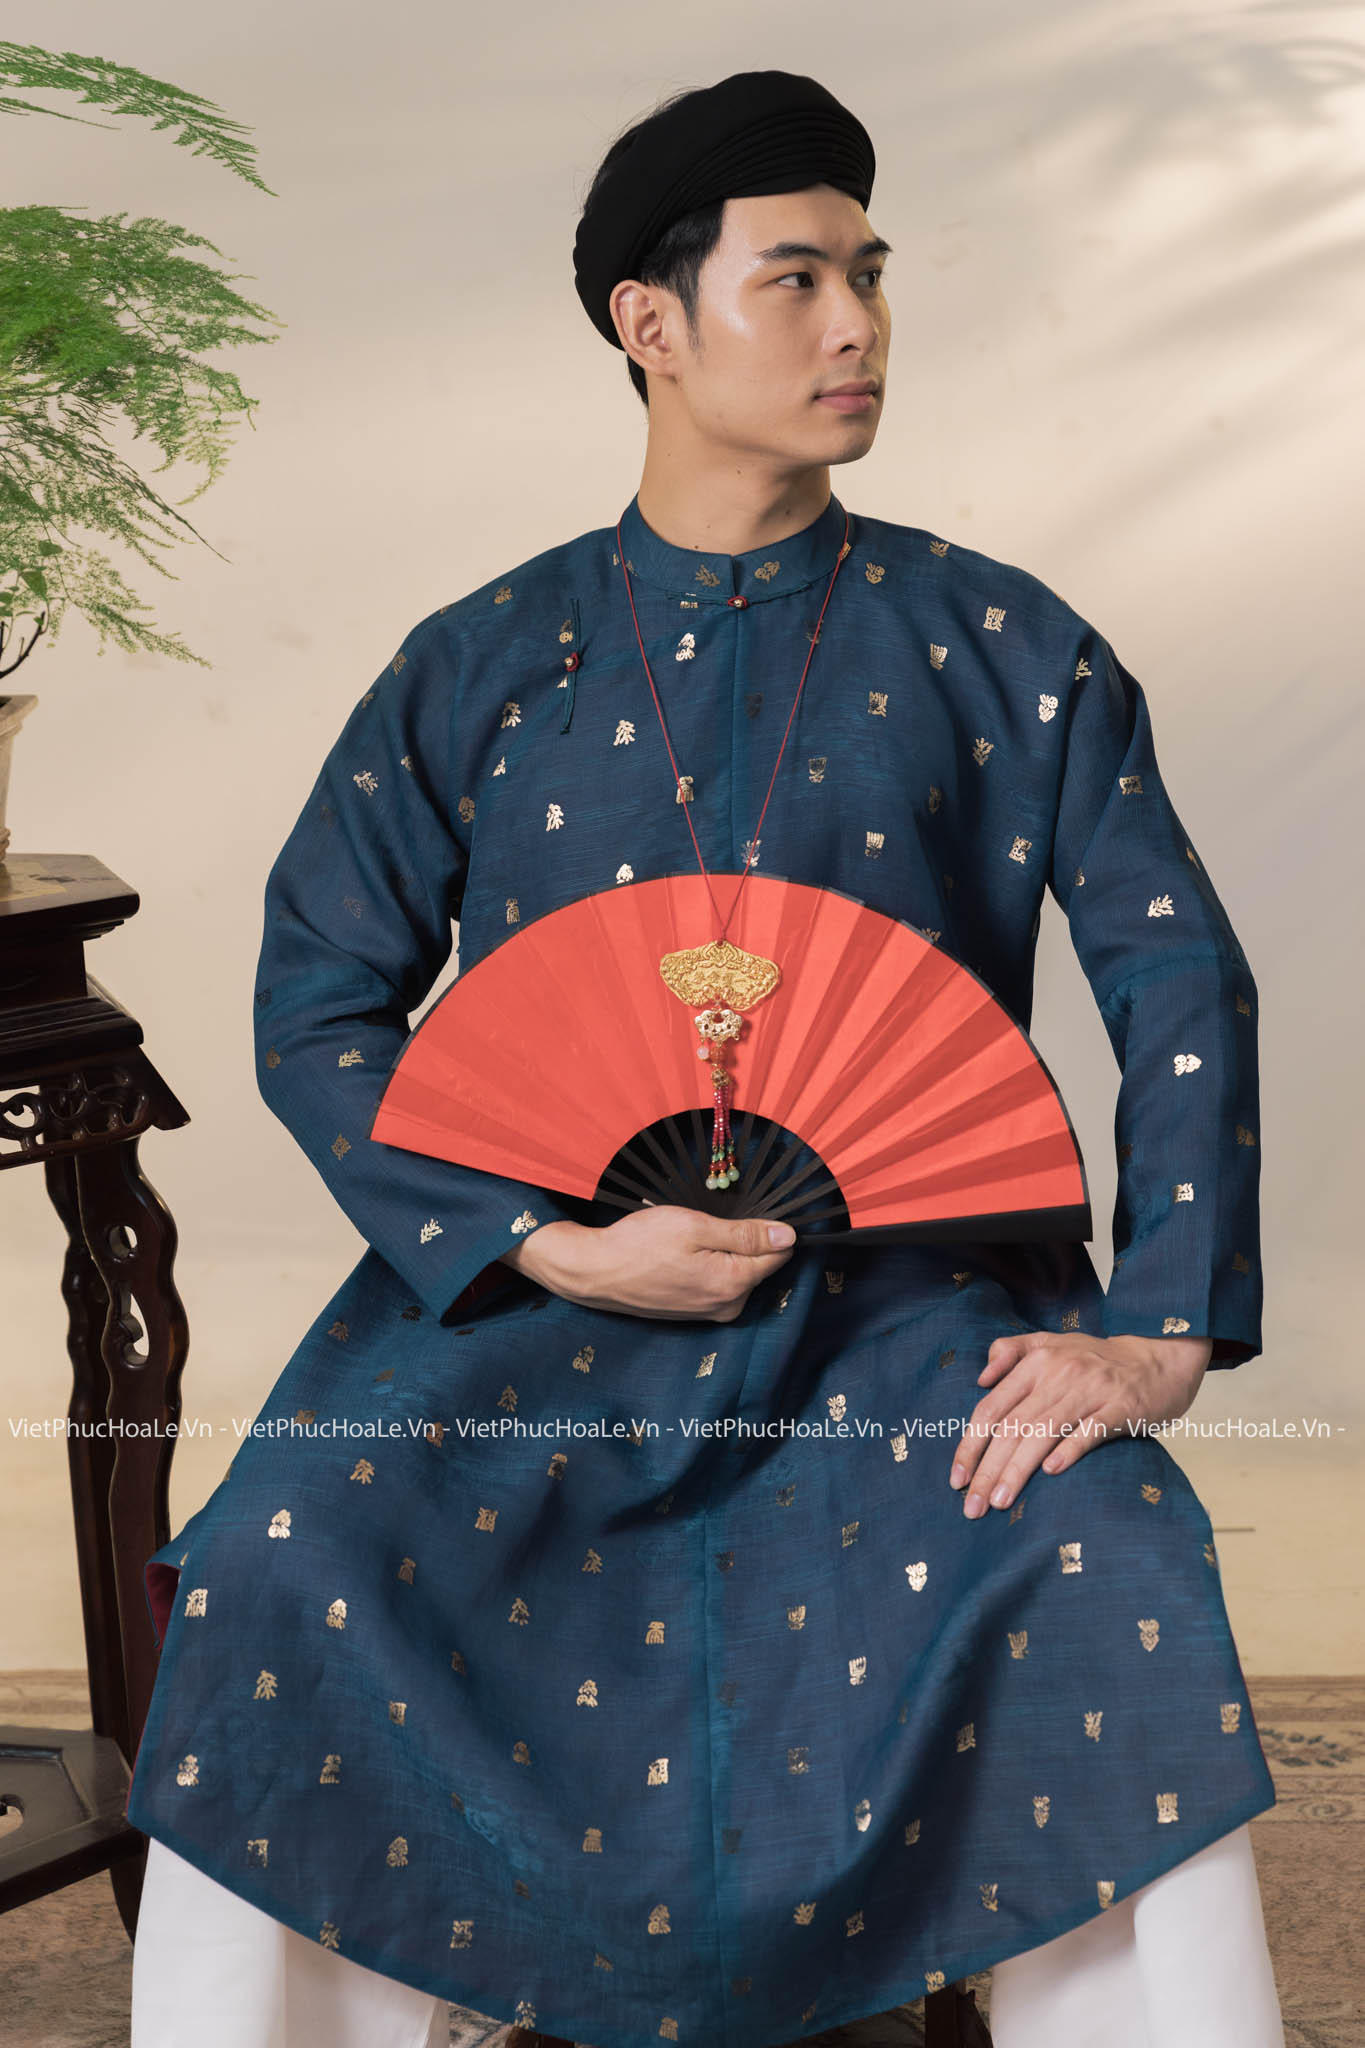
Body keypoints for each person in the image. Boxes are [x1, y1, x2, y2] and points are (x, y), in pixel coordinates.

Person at [126, 68, 1286, 2048]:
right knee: (284, 1550)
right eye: (796, 280)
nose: (855, 327)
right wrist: (542, 1238)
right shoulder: (483, 660)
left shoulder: (1004, 644)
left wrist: (1160, 1328)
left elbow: (1177, 977)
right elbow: (317, 997)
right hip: (534, 1299)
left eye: (870, 277)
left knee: (1105, 1548)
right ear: (646, 322)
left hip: (911, 1300)